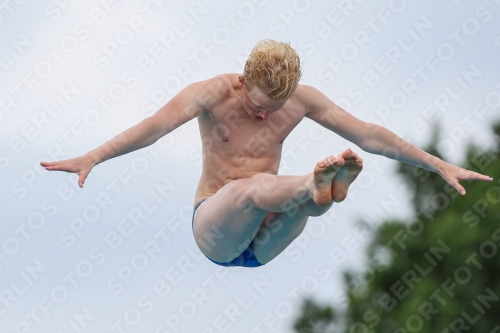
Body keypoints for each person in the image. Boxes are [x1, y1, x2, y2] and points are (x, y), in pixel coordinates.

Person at [40, 40, 492, 268]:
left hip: (266, 240)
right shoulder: (212, 94)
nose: (262, 117)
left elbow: (370, 135)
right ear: (241, 81)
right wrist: (94, 156)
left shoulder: (302, 99)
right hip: (217, 229)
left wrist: (437, 164)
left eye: (273, 110)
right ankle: (313, 188)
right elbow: (154, 128)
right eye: (257, 105)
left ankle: (318, 194)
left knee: (305, 204)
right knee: (257, 188)